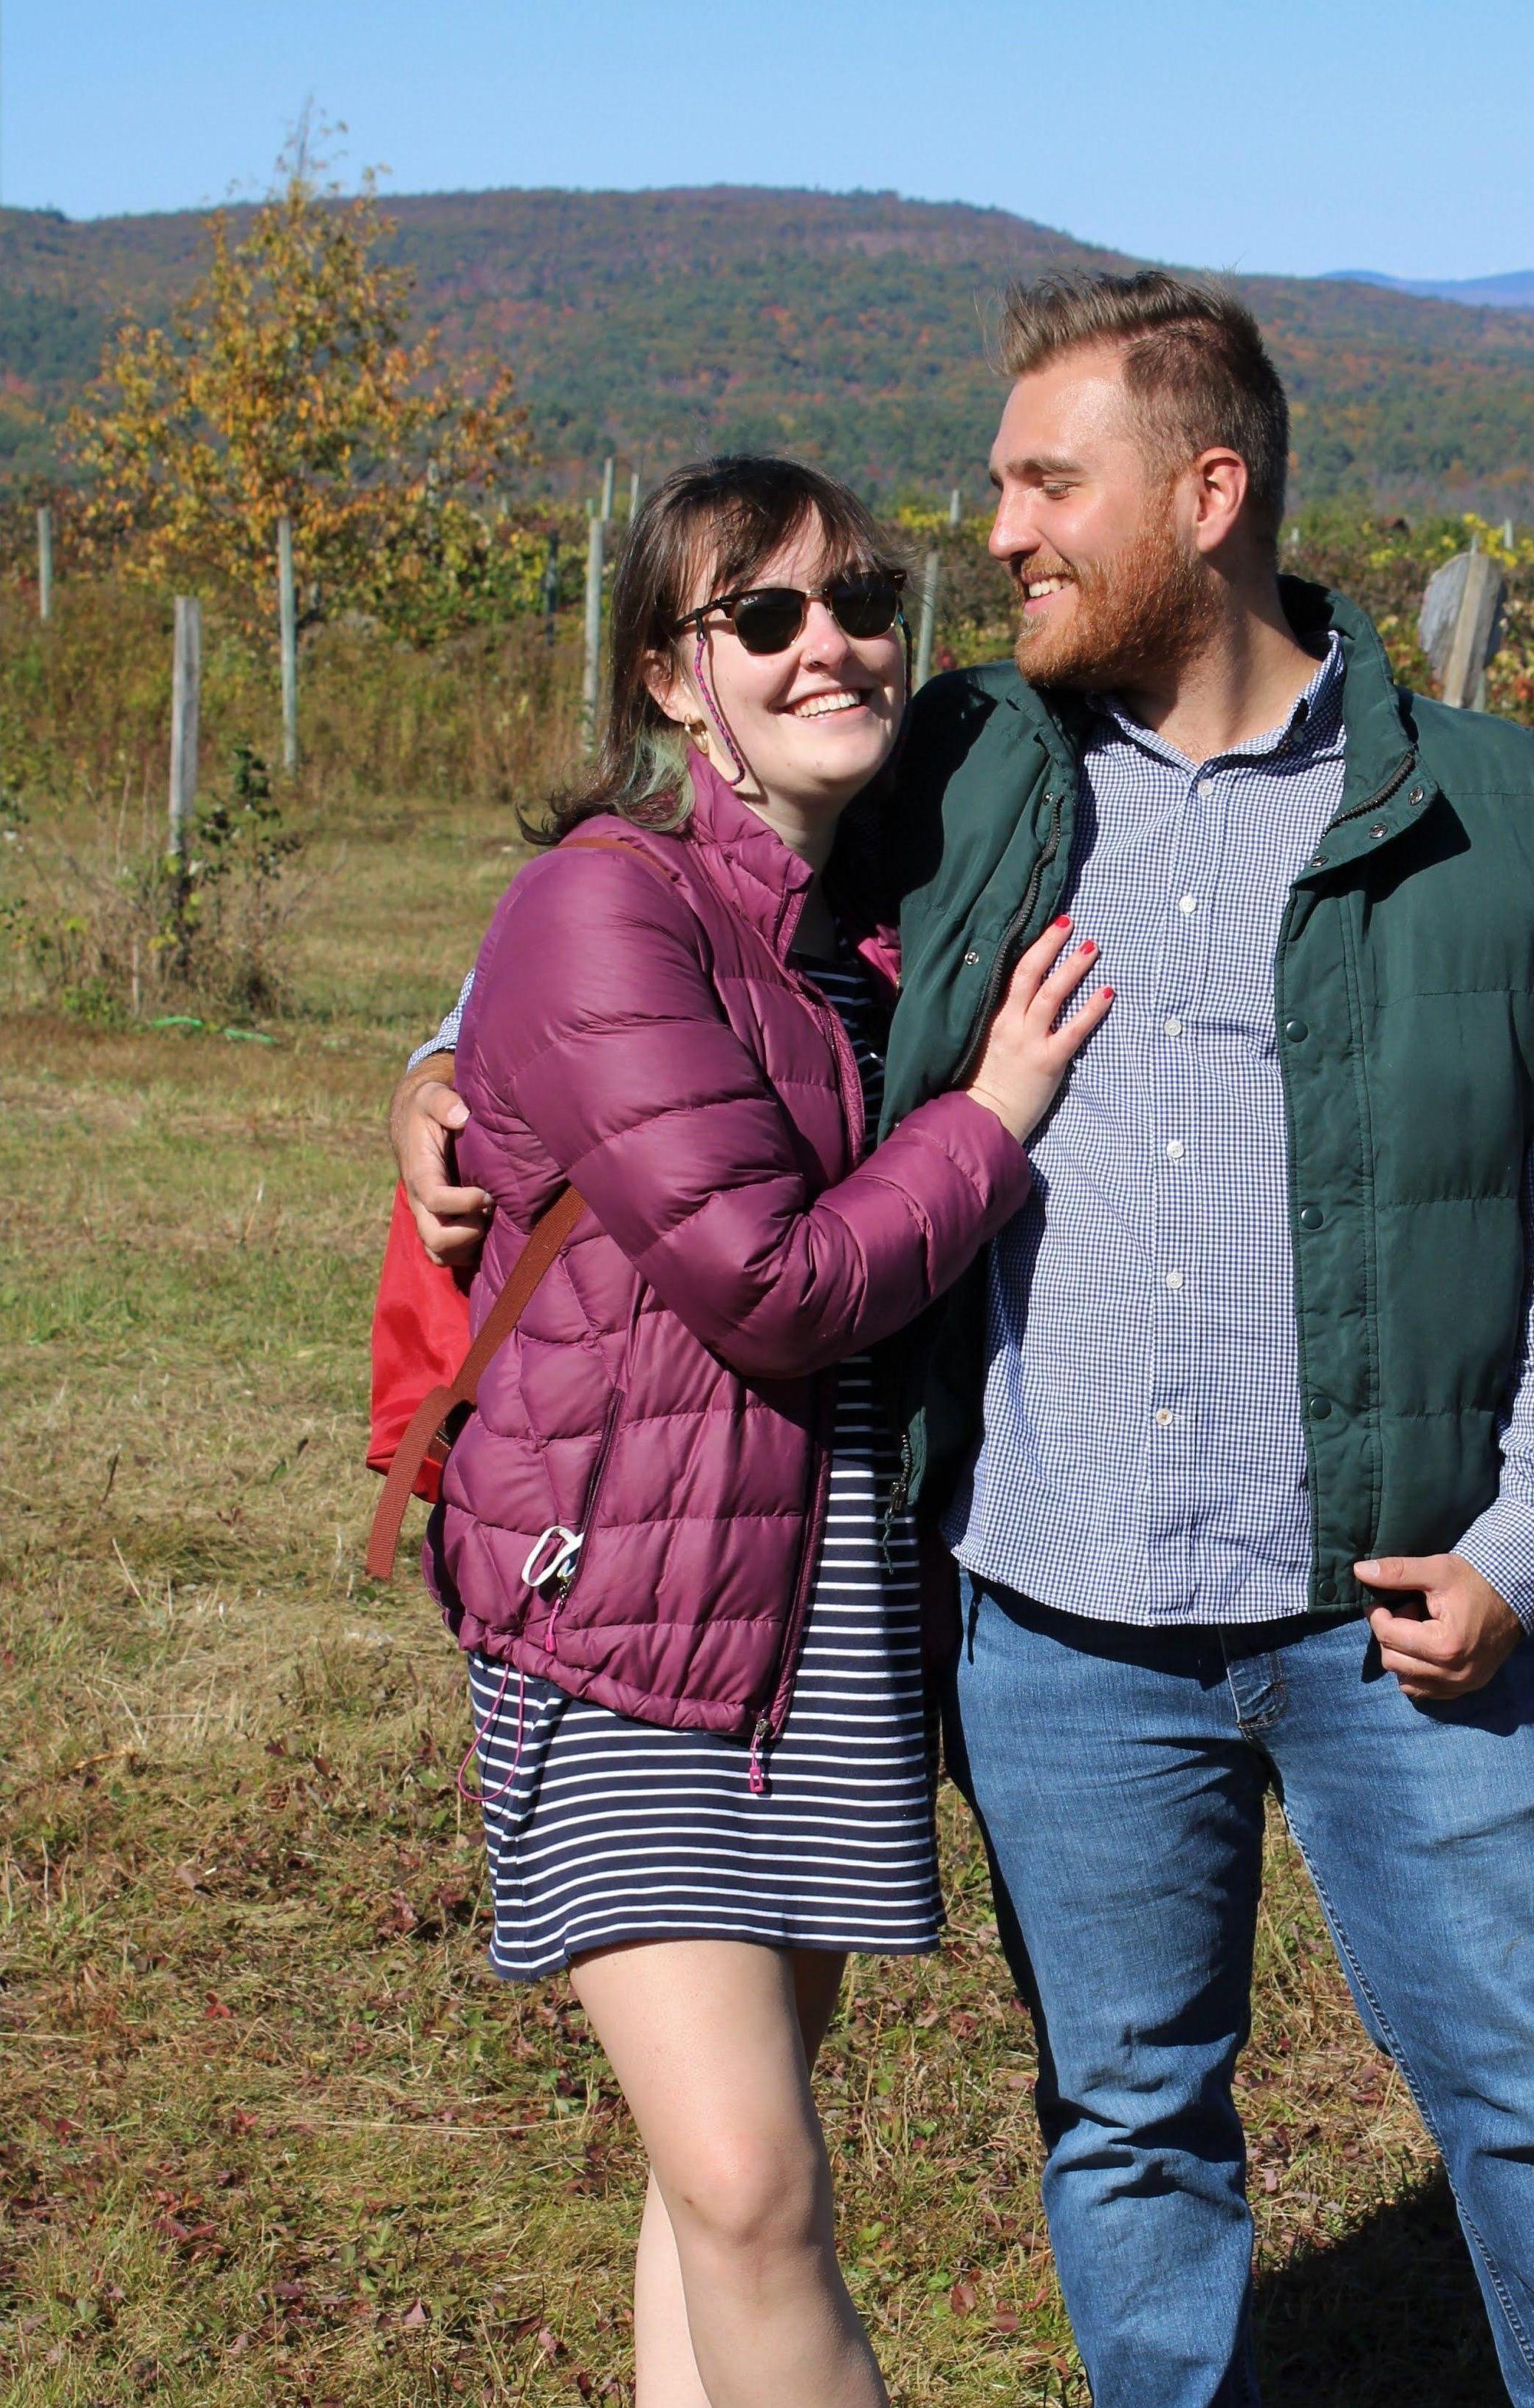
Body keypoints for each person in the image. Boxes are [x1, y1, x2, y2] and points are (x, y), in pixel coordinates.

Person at [397, 278, 1534, 2408]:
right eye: (991, 488)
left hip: (1392, 1611)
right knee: (1124, 2128)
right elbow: (653, 920)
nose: (993, 533)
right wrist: (441, 1063)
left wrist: (1529, 1536)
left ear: (1206, 495)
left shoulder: (1475, 812)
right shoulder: (970, 772)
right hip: (1052, 1617)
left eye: (1038, 483)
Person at [402, 455, 1107, 2408]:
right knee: (749, 2178)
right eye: (765, 615)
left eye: (864, 601)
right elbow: (772, 1281)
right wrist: (995, 1111)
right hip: (626, 1627)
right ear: (665, 679)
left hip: (828, 1620)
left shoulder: (883, 918)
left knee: (716, 2189)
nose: (831, 644)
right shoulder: (597, 909)